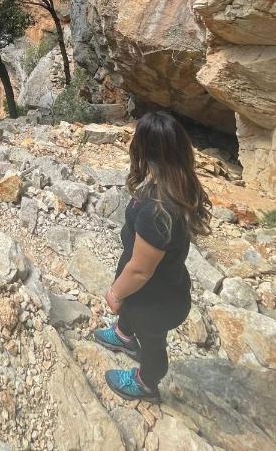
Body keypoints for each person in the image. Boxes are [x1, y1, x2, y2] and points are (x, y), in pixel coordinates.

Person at [94, 111, 211, 401]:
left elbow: (139, 272)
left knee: (153, 344)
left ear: (143, 149)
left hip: (154, 302)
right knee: (133, 314)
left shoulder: (157, 210)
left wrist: (115, 294)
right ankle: (123, 335)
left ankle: (147, 383)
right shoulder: (179, 186)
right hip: (166, 286)